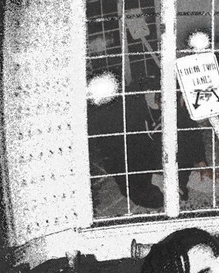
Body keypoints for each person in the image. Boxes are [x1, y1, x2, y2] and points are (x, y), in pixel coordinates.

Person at [87, 71, 212, 210]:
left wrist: (202, 164)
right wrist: (152, 179)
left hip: (157, 154)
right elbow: (115, 157)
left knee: (177, 191)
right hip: (132, 158)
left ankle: (171, 180)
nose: (181, 107)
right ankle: (159, 179)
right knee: (153, 199)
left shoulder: (177, 100)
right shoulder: (128, 106)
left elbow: (191, 132)